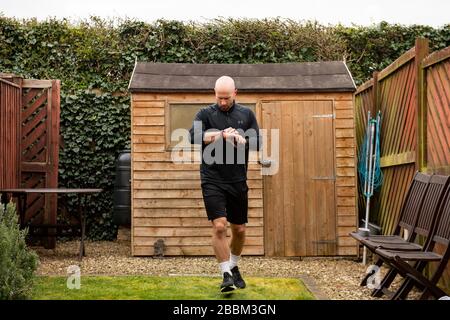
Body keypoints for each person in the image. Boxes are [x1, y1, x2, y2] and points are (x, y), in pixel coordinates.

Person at [189, 75, 261, 292]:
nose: (222, 102)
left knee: (238, 229)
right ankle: (226, 275)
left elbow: (257, 141)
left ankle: (234, 265)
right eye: (219, 97)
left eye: (226, 98)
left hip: (237, 180)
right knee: (219, 225)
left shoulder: (246, 114)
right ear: (215, 93)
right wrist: (220, 135)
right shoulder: (205, 114)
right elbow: (193, 137)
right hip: (212, 178)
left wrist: (242, 138)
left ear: (235, 94)